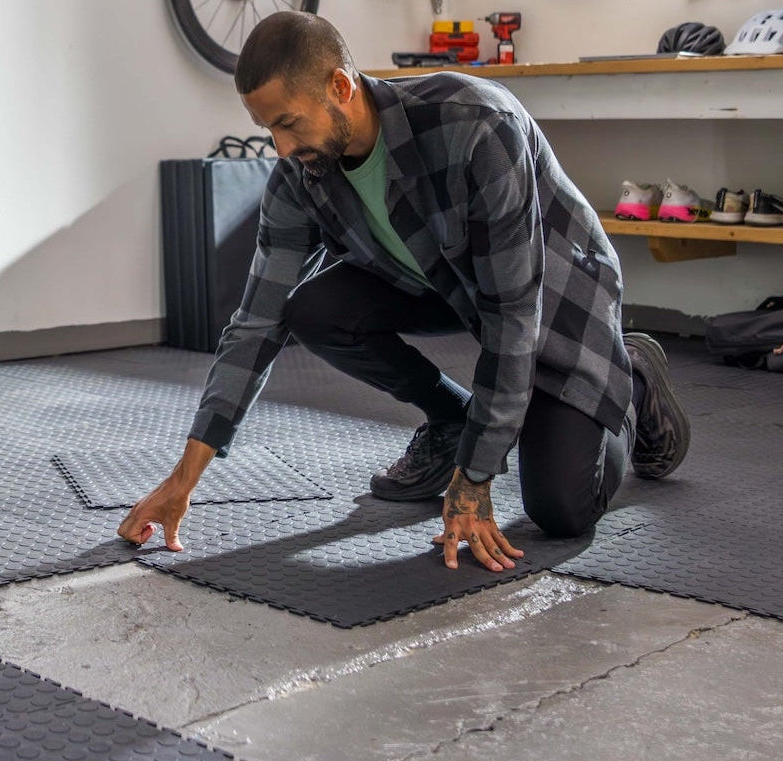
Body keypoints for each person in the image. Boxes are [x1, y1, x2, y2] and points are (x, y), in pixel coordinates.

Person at [117, 11, 691, 572]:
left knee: (561, 509)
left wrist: (475, 477)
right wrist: (183, 480)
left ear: (340, 87)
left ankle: (628, 374)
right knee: (311, 308)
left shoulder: (475, 126)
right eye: (267, 128)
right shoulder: (300, 176)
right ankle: (450, 420)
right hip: (448, 282)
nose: (280, 148)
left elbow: (514, 315)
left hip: (559, 295)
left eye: (288, 123)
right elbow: (256, 323)